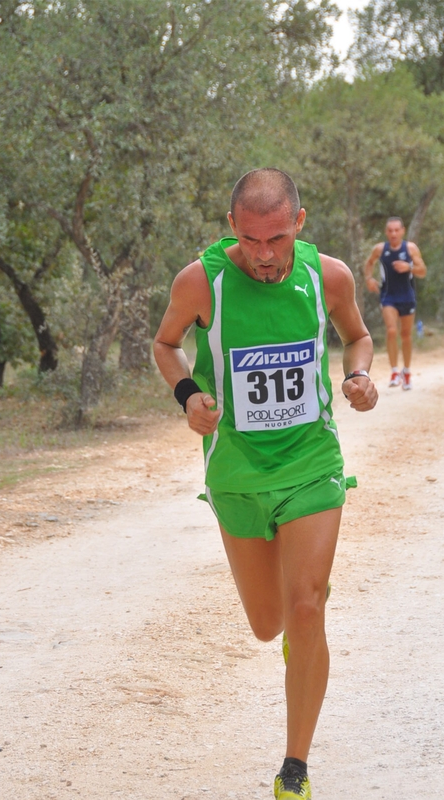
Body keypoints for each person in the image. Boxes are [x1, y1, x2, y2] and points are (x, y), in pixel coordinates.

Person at [153, 168, 378, 800]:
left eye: (276, 239)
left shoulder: (326, 275)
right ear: (232, 229)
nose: (263, 255)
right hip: (237, 473)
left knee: (307, 606)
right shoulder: (201, 282)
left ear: (298, 224)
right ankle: (292, 647)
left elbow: (357, 336)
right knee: (267, 622)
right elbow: (165, 345)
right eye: (250, 240)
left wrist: (359, 376)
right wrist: (188, 394)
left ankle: (294, 770)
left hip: (311, 462)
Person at [363, 217, 427, 389]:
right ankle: (393, 371)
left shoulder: (410, 249)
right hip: (388, 296)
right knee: (391, 331)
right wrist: (369, 279)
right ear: (386, 232)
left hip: (407, 296)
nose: (393, 233)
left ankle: (406, 372)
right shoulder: (380, 249)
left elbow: (422, 271)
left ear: (402, 231)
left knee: (406, 335)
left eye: (396, 230)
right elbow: (369, 263)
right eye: (390, 230)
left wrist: (409, 267)